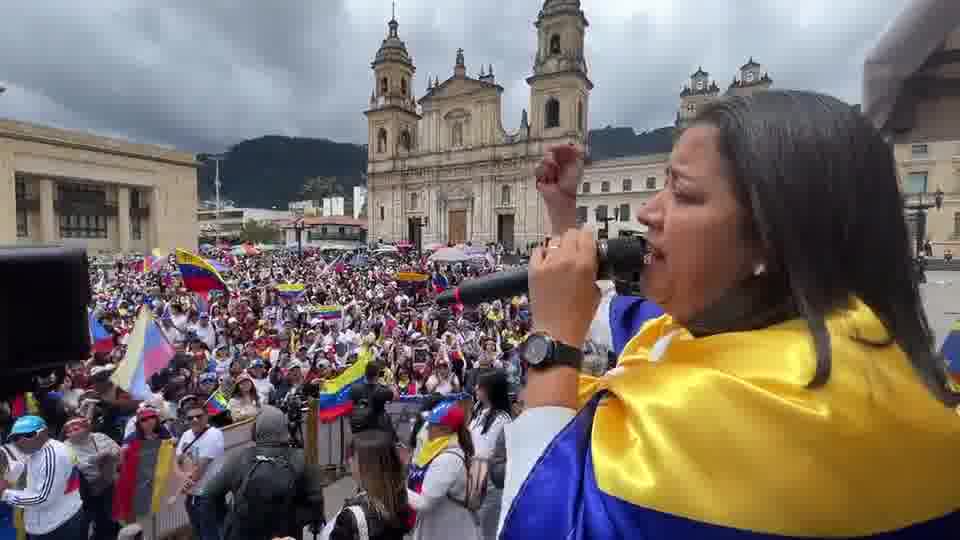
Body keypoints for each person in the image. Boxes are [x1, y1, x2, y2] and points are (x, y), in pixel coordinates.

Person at [500, 91, 960, 538]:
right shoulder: (834, 340)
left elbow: (536, 520)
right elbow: (625, 319)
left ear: (772, 237)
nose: (646, 212)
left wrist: (553, 345)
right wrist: (563, 217)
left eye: (681, 191)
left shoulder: (745, 422)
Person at [205, 405, 325, 540]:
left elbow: (209, 494)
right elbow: (316, 501)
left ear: (256, 429)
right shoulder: (301, 458)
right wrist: (295, 520)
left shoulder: (239, 458)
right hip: (286, 534)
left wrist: (227, 519)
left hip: (241, 533)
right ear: (286, 428)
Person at [0, 416, 88, 539]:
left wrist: (5, 494)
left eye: (29, 434)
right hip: (44, 522)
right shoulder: (32, 450)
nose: (21, 440)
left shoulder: (53, 455)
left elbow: (43, 498)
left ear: (44, 433)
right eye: (16, 437)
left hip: (58, 525)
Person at [406, 401, 480, 540]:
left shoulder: (448, 460)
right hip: (442, 524)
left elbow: (424, 502)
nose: (427, 429)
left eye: (431, 424)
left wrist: (398, 488)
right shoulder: (440, 449)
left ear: (445, 429)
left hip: (449, 529)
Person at [321, 429, 410, 540]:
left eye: (352, 456)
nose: (348, 461)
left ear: (366, 465)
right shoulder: (398, 498)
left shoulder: (352, 517)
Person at [467, 371, 512, 540]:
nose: (476, 388)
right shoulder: (479, 411)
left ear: (491, 390)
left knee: (487, 529)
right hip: (474, 476)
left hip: (490, 481)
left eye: (481, 386)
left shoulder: (502, 419)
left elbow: (486, 450)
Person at [62, 417, 121, 540]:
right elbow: (77, 467)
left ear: (87, 428)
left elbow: (118, 452)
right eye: (69, 429)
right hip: (88, 489)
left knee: (110, 516)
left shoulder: (99, 437)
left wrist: (107, 458)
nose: (73, 429)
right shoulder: (64, 447)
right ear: (66, 434)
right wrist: (97, 460)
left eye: (76, 426)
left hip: (111, 481)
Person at [175, 404, 225, 540]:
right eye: (190, 418)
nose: (195, 420)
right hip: (192, 495)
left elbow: (201, 467)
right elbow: (178, 460)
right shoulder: (186, 435)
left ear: (207, 417)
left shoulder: (214, 434)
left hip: (208, 493)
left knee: (211, 534)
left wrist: (183, 487)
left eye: (199, 416)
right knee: (199, 533)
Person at [348, 362, 396, 436]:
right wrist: (390, 383)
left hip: (358, 427)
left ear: (365, 373)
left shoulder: (354, 388)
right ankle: (395, 443)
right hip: (377, 426)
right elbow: (395, 396)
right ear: (377, 374)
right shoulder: (382, 390)